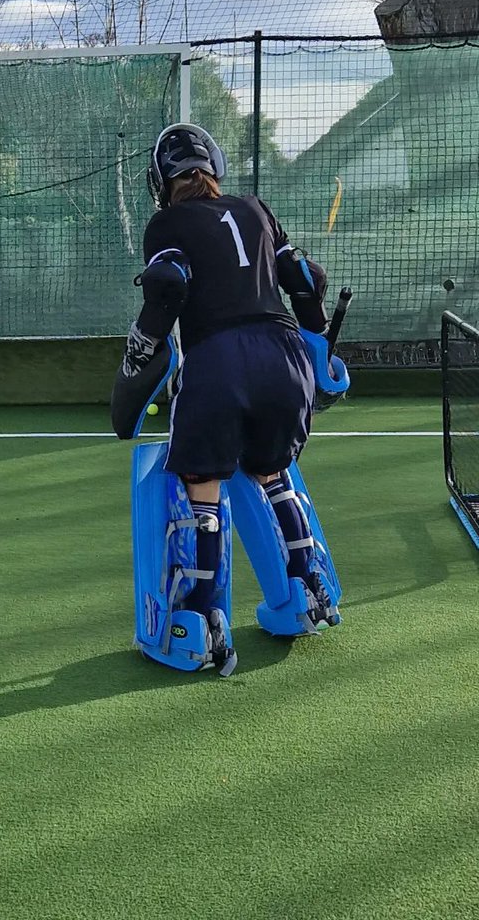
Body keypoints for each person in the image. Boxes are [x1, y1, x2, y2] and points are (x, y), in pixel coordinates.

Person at [116, 122, 342, 671]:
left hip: (219, 359)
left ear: (159, 180)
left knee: (203, 485)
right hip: (284, 355)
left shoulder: (166, 221)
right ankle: (307, 589)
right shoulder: (256, 209)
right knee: (272, 471)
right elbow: (304, 278)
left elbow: (169, 283)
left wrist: (138, 353)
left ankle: (201, 621)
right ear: (214, 169)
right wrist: (320, 351)